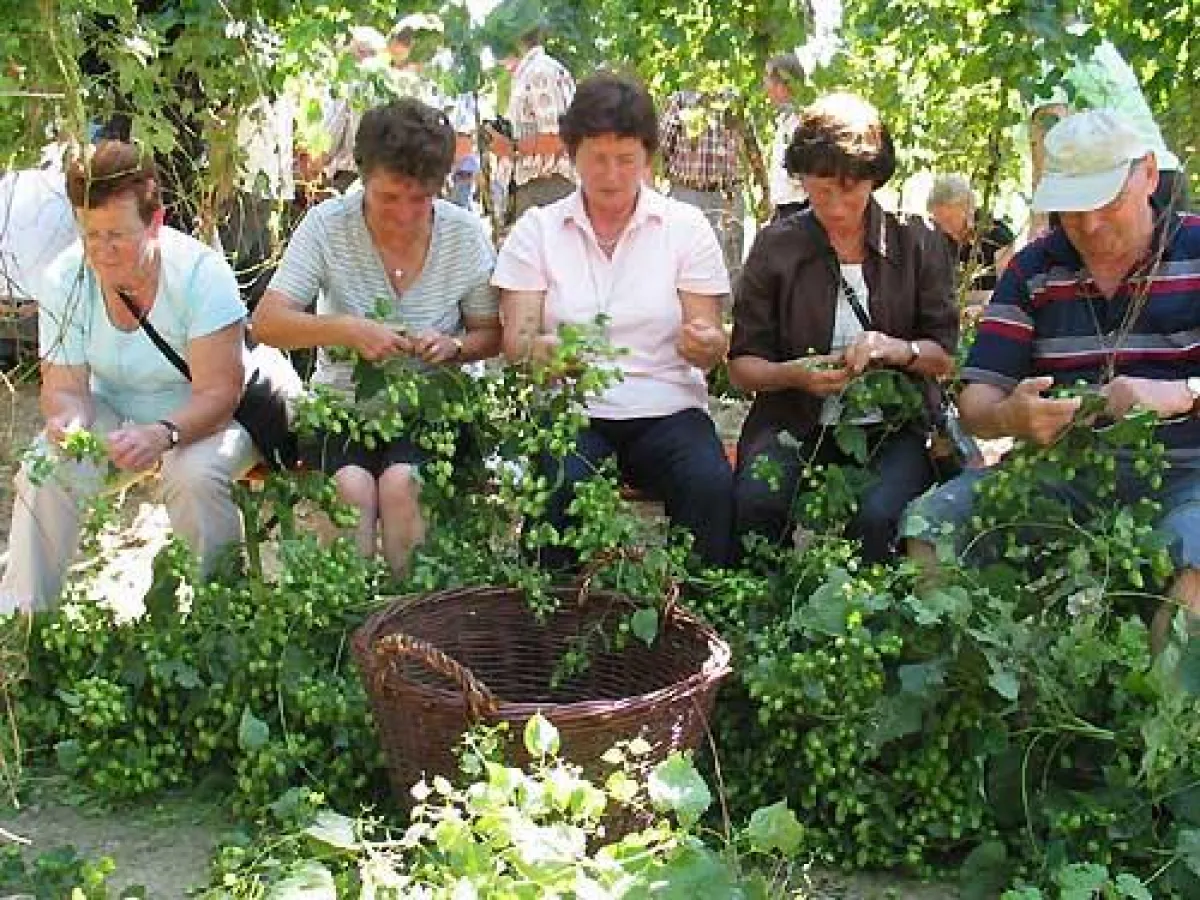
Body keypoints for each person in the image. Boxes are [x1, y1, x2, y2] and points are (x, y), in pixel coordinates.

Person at [903, 110, 1200, 649]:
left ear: (1150, 175)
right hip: (1064, 476)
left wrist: (1183, 393)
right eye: (1071, 209)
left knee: (1197, 587)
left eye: (1105, 203)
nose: (1087, 226)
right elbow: (976, 402)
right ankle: (972, 696)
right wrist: (1008, 416)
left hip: (1189, 479)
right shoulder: (1034, 267)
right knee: (931, 525)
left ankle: (1161, 728)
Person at [0, 140, 255, 614]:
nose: (101, 250)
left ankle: (221, 623)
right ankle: (23, 625)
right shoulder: (65, 278)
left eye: (116, 234)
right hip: (117, 416)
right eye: (90, 233)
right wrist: (70, 424)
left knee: (192, 473)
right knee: (45, 464)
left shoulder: (201, 274)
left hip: (205, 419)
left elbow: (221, 393)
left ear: (155, 222)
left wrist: (163, 435)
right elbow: (65, 392)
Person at [492, 72, 735, 569]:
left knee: (708, 483)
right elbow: (516, 342)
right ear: (571, 153)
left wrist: (707, 344)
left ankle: (702, 618)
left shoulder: (685, 228)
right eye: (597, 158)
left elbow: (708, 344)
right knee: (563, 485)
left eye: (626, 159)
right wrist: (542, 352)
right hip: (573, 409)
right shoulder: (537, 230)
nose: (611, 174)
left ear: (648, 158)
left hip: (668, 409)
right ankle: (549, 625)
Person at [252, 99, 501, 577]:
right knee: (349, 487)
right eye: (389, 197)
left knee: (405, 485)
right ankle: (349, 628)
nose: (405, 213)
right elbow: (267, 323)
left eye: (420, 199)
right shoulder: (328, 225)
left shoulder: (464, 236)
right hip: (341, 406)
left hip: (432, 408)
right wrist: (346, 329)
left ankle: (414, 628)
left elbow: (491, 334)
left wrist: (455, 348)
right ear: (363, 176)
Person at [729, 94, 958, 563]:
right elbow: (741, 368)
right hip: (790, 420)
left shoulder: (918, 241)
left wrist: (895, 349)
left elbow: (945, 358)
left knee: (877, 517)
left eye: (849, 190)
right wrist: (792, 375)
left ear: (874, 179)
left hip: (893, 428)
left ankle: (871, 624)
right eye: (821, 188)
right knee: (757, 501)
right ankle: (760, 615)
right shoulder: (777, 246)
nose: (834, 205)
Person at [1029, 22, 1189, 233]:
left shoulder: (1050, 48)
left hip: (1118, 185)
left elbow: (1051, 126)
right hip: (1164, 176)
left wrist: (1040, 217)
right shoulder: (1094, 41)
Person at [489, 6, 575, 220]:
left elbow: (558, 138)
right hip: (536, 188)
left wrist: (511, 148)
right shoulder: (530, 73)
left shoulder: (540, 72)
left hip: (548, 188)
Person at [658, 89, 747, 282]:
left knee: (728, 266)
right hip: (686, 193)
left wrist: (764, 187)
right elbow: (662, 146)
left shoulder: (732, 100)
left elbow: (748, 141)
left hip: (726, 195)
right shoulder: (680, 100)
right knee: (683, 263)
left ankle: (725, 311)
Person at [926, 173, 1015, 313]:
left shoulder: (996, 236)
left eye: (949, 220)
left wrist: (982, 308)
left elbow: (1009, 291)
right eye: (939, 222)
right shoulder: (936, 240)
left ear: (968, 208)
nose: (945, 228)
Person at [763, 53, 808, 222]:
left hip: (797, 210)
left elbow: (801, 174)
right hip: (786, 211)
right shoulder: (785, 120)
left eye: (768, 79)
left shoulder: (801, 123)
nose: (766, 86)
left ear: (783, 84)